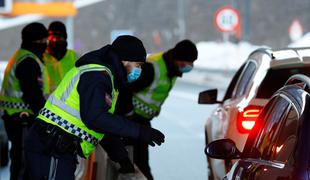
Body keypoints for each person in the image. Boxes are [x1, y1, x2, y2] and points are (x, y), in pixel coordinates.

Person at [24, 35, 165, 180]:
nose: (139, 70)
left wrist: (120, 156)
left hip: (57, 147)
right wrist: (139, 131)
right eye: (138, 65)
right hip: (52, 148)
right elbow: (95, 118)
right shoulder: (97, 75)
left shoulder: (107, 77)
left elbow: (101, 123)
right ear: (125, 60)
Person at [122, 39, 198, 180]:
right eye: (188, 62)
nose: (190, 66)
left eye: (192, 63)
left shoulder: (172, 69)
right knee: (134, 165)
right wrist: (128, 115)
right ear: (178, 58)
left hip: (142, 121)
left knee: (139, 164)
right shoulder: (152, 69)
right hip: (130, 121)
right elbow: (125, 89)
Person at [0, 22, 50, 180]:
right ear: (35, 41)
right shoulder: (28, 61)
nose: (45, 45)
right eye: (43, 41)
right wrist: (48, 118)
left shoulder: (23, 56)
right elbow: (32, 94)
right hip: (22, 120)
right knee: (24, 164)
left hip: (16, 118)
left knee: (22, 162)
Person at [43, 21, 78, 91]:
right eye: (52, 37)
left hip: (71, 100)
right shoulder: (42, 57)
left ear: (65, 38)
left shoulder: (74, 57)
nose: (55, 41)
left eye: (59, 37)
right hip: (48, 100)